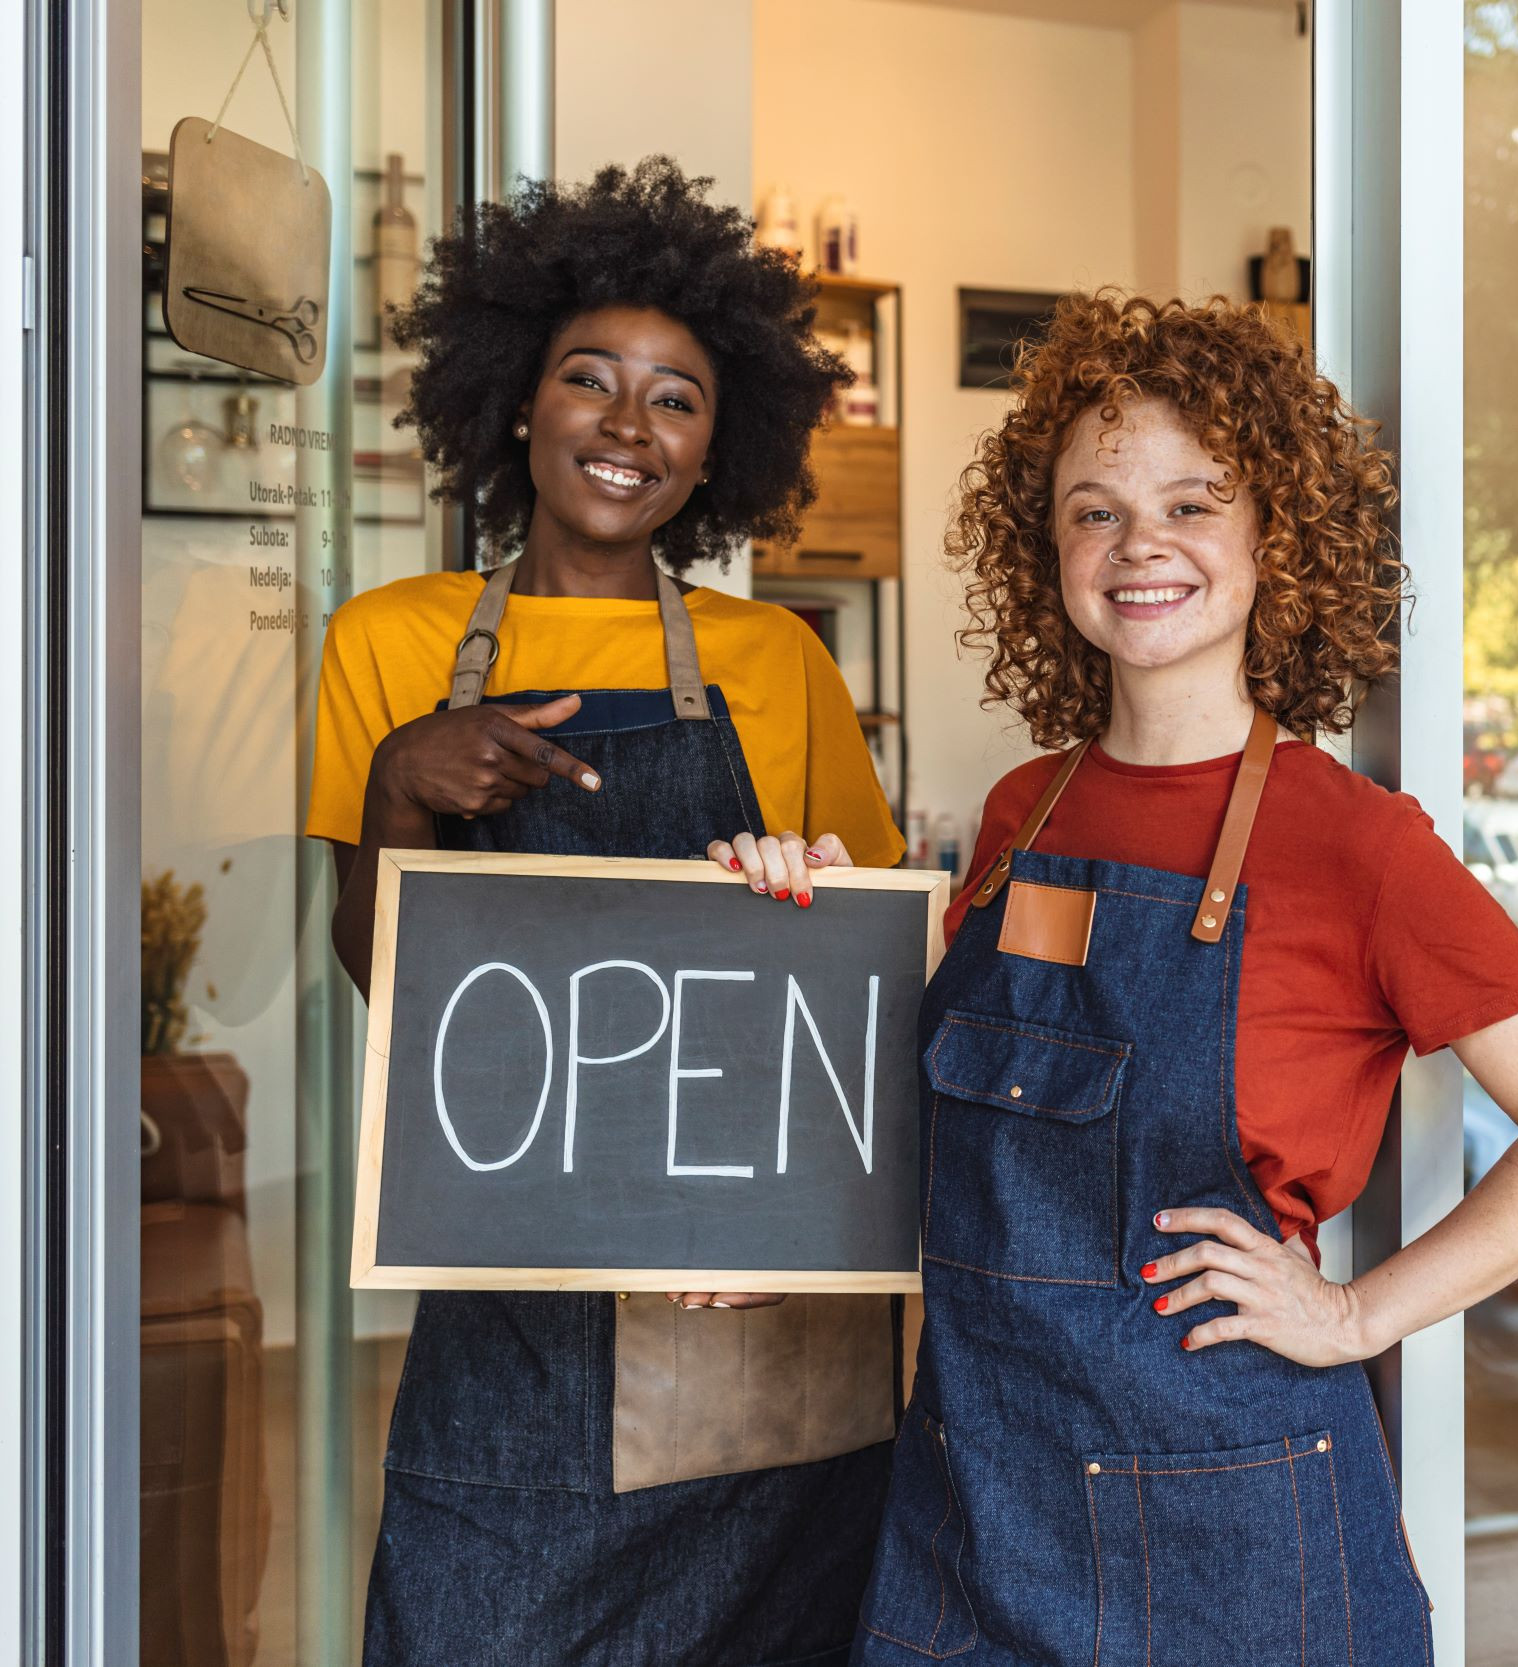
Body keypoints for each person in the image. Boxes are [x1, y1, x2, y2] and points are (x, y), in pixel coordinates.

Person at [841, 294, 1518, 1665]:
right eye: (1095, 509)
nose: (1140, 543)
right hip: (974, 1496)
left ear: (1277, 536)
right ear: (1048, 551)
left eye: (1193, 503)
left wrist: (1357, 1313)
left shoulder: (1360, 845)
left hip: (1228, 1514)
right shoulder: (1025, 810)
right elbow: (935, 1132)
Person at [308, 158, 904, 1667]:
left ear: (720, 452)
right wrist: (400, 788)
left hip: (743, 1322)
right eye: (592, 378)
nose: (629, 427)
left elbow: (871, 987)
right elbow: (382, 972)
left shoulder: (778, 664)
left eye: (678, 400)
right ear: (517, 400)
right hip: (508, 1305)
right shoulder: (389, 645)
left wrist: (801, 892)